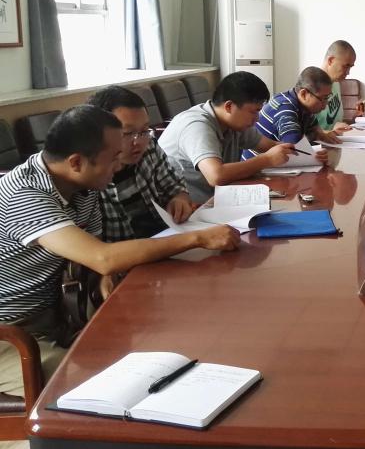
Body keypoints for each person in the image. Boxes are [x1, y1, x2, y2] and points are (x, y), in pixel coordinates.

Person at [0, 106, 240, 397]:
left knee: (169, 346)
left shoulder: (82, 184)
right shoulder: (24, 195)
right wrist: (197, 238)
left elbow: (95, 255)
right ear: (76, 162)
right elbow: (103, 257)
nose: (118, 165)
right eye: (113, 158)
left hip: (59, 315)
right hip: (12, 334)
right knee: (94, 391)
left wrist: (102, 276)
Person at [158, 71, 306, 203]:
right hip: (186, 210)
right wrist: (267, 159)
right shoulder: (197, 126)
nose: (257, 119)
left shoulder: (234, 123)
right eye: (253, 111)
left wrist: (309, 155)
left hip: (217, 201)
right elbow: (216, 176)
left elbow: (270, 146)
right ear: (229, 106)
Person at [86, 86, 194, 240]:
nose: (138, 142)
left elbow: (174, 186)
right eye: (127, 133)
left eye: (144, 130)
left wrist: (180, 198)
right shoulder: (88, 176)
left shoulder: (149, 146)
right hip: (126, 250)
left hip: (164, 237)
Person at [243, 67, 337, 160]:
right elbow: (294, 151)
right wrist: (313, 155)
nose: (325, 105)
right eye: (323, 98)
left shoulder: (304, 107)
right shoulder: (285, 109)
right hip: (258, 166)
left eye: (327, 98)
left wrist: (323, 136)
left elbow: (315, 133)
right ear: (304, 94)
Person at [315, 40, 357, 136]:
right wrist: (331, 132)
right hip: (320, 143)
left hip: (337, 139)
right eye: (345, 66)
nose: (348, 72)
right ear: (330, 60)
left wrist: (353, 120)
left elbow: (333, 122)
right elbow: (304, 134)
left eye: (350, 67)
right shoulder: (311, 88)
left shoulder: (336, 82)